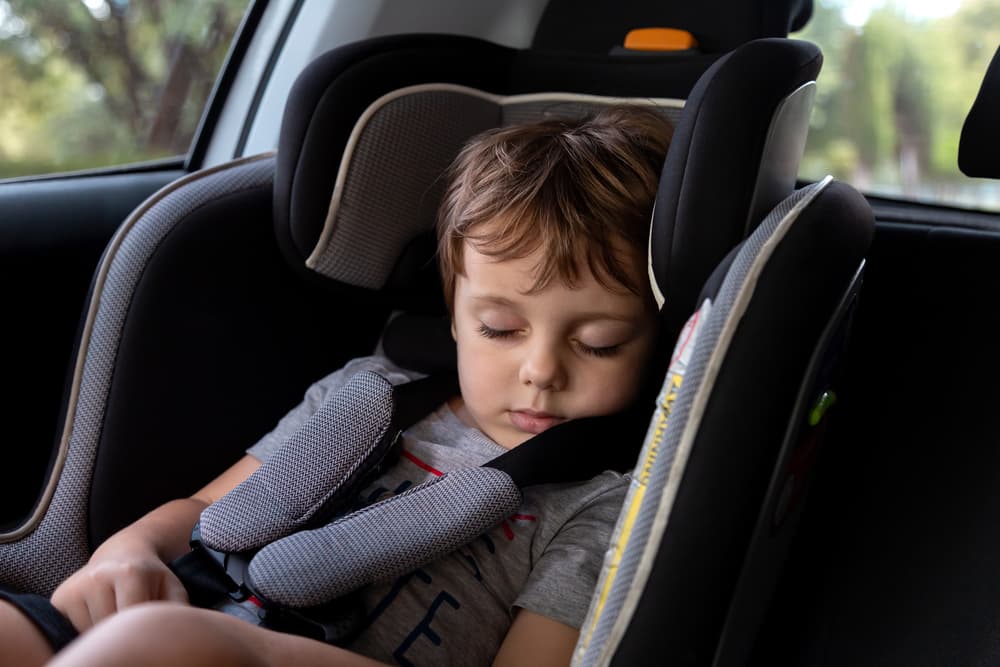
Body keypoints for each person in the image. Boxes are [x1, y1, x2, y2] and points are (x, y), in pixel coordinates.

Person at [0, 105, 673, 667]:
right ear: (456, 314)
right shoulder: (367, 393)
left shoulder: (600, 506)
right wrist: (130, 550)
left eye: (599, 344)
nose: (542, 370)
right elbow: (207, 509)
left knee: (156, 641)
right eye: (500, 327)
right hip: (183, 613)